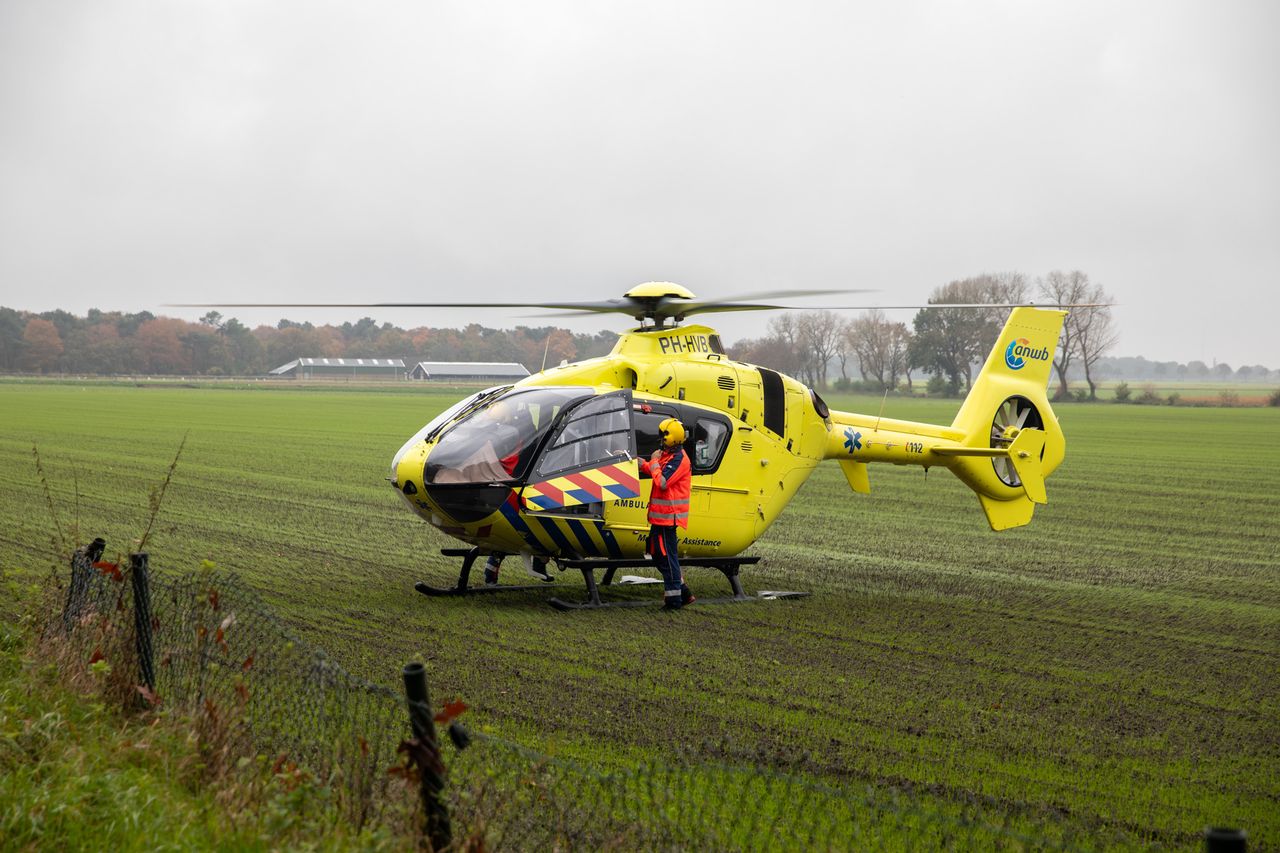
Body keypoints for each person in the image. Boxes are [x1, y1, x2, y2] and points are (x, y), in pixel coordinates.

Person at [639, 417, 695, 610]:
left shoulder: (680, 460)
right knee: (657, 553)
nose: (660, 442)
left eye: (663, 439)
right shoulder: (669, 456)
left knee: (666, 556)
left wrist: (653, 461)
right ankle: (683, 592)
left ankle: (674, 600)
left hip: (667, 519)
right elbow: (656, 469)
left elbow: (662, 482)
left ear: (671, 440)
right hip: (659, 517)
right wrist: (640, 463)